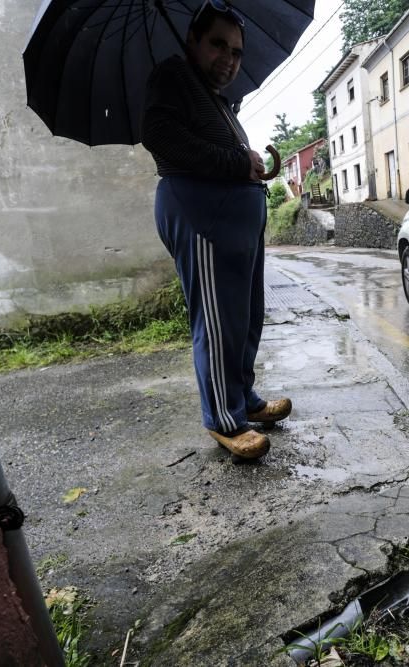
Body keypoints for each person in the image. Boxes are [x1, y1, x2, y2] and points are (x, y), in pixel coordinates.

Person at [141, 1, 291, 460]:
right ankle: (223, 419)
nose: (229, 57)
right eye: (218, 44)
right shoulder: (173, 76)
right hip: (200, 218)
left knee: (243, 318)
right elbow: (160, 136)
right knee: (216, 321)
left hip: (234, 221)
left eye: (237, 51)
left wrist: (251, 166)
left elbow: (226, 156)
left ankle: (243, 399)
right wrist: (235, 161)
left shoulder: (217, 99)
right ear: (193, 41)